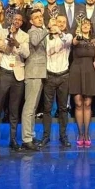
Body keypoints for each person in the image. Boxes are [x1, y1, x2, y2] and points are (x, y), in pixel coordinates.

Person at [0, 12, 29, 154]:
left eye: (19, 20)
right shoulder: (0, 32)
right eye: (15, 19)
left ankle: (13, 139)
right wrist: (9, 41)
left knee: (14, 109)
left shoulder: (24, 36)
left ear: (22, 22)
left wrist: (17, 44)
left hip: (18, 74)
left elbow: (26, 54)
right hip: (4, 72)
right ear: (10, 20)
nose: (17, 21)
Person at [40, 15, 73, 147]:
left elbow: (67, 42)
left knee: (63, 108)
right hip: (49, 75)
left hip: (64, 76)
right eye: (59, 21)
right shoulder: (46, 37)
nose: (61, 23)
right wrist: (49, 29)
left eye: (64, 22)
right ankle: (46, 136)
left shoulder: (68, 36)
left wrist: (58, 31)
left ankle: (63, 136)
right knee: (47, 108)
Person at [70, 18, 95, 147]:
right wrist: (78, 35)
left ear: (91, 27)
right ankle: (80, 133)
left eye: (88, 24)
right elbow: (74, 42)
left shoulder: (94, 41)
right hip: (76, 72)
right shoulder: (76, 38)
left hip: (89, 73)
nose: (86, 26)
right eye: (83, 24)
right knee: (78, 103)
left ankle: (86, 134)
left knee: (87, 103)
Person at [21, 9, 47, 151]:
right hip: (33, 73)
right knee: (29, 108)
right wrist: (48, 29)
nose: (39, 19)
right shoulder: (31, 32)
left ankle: (30, 134)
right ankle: (26, 138)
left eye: (40, 16)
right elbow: (35, 42)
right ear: (31, 21)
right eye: (36, 17)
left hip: (40, 73)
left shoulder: (41, 30)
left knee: (33, 108)